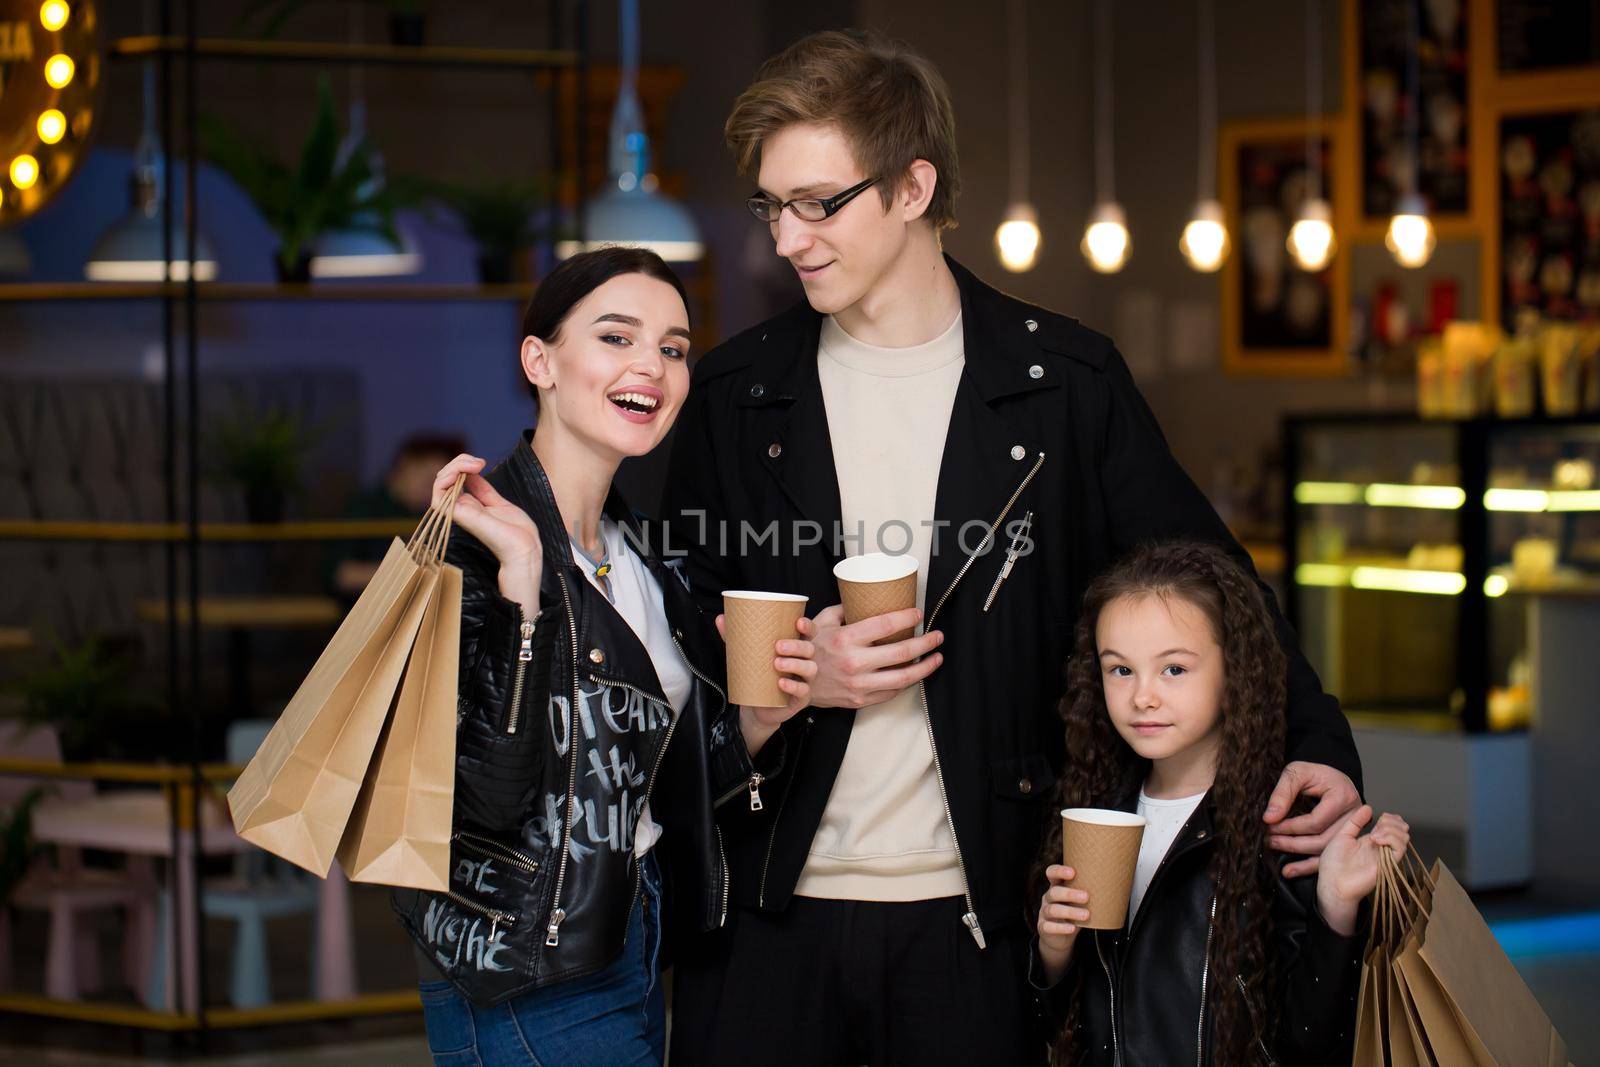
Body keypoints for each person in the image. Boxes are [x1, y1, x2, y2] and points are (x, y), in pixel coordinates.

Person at [660, 29, 1364, 1066]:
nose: (787, 237)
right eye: (772, 206)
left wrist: (1318, 741)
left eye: (818, 202)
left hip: (981, 914)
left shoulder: (1065, 384)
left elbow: (1205, 578)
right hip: (766, 917)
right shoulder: (736, 391)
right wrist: (793, 677)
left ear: (911, 187)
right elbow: (674, 630)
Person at [390, 247, 818, 1066]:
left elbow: (653, 786)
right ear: (539, 361)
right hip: (524, 963)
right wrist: (525, 597)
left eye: (672, 347)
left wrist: (758, 721)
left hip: (635, 935)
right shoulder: (472, 548)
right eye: (617, 337)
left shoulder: (645, 557)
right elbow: (477, 802)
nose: (650, 367)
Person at [1030, 541, 1407, 1064]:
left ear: (1235, 670)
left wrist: (1336, 907)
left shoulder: (1282, 828)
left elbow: (1314, 1040)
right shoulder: (1094, 808)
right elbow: (1067, 1026)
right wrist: (1053, 952)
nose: (1143, 696)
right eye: (1120, 670)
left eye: (1174, 670)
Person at [325, 432, 467, 602]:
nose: (433, 489)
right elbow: (338, 573)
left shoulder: (433, 515)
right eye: (429, 479)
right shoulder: (364, 507)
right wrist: (408, 573)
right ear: (406, 463)